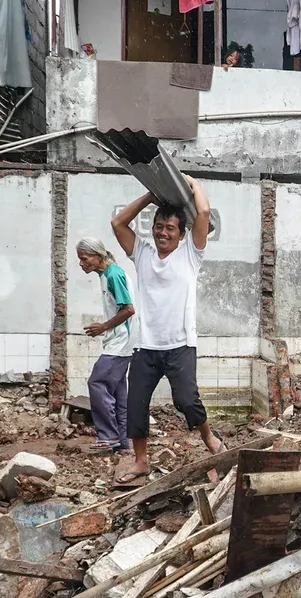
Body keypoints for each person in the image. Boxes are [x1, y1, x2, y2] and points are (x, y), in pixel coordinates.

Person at [110, 176, 223, 485]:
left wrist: (195, 185)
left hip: (180, 345)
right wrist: (151, 194)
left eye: (170, 228)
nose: (163, 233)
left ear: (181, 233)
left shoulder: (190, 255)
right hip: (146, 346)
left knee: (187, 400)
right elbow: (118, 223)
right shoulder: (143, 254)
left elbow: (202, 215)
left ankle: (210, 439)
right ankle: (141, 461)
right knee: (136, 405)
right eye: (158, 227)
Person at [76, 236, 135, 455]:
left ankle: (108, 436)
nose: (82, 264)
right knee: (119, 391)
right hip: (120, 340)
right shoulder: (105, 275)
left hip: (121, 342)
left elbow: (128, 309)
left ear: (98, 256)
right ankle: (123, 442)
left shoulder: (113, 274)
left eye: (84, 259)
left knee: (97, 382)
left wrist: (103, 327)